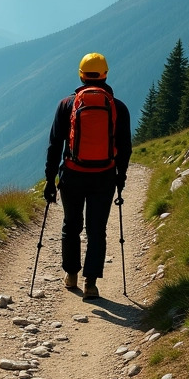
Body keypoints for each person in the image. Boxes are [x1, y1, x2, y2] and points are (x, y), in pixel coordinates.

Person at [43, 53, 132, 300]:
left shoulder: (66, 105)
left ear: (81, 74)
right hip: (104, 177)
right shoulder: (118, 107)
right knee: (97, 229)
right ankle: (91, 283)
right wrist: (120, 177)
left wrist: (51, 180)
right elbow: (125, 147)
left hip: (72, 174)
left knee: (71, 225)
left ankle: (71, 274)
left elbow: (54, 145)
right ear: (105, 74)